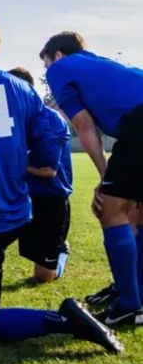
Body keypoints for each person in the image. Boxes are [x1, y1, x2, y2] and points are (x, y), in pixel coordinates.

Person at [0, 10, 122, 354]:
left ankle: (64, 320)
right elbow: (55, 132)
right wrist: (31, 160)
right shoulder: (23, 90)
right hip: (19, 209)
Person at [41, 32, 143, 326]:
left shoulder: (61, 68)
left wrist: (105, 176)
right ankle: (132, 292)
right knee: (136, 213)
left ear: (57, 56)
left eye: (46, 64)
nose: (48, 73)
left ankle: (128, 304)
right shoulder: (97, 65)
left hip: (138, 124)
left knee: (110, 209)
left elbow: (84, 126)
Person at [8, 67, 72, 283]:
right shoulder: (9, 120)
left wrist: (12, 164)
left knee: (43, 278)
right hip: (19, 196)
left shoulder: (50, 121)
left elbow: (47, 171)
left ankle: (61, 252)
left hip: (49, 199)